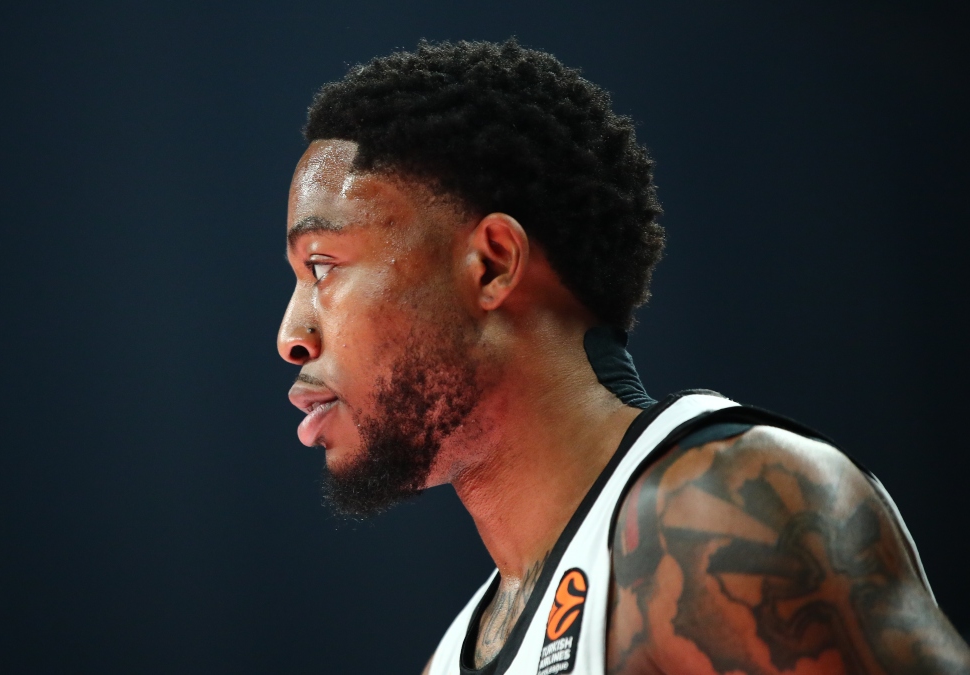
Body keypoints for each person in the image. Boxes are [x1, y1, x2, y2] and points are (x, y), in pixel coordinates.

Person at [276, 39, 970, 675]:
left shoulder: (726, 512)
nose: (291, 335)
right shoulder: (453, 655)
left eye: (323, 265)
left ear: (491, 265)